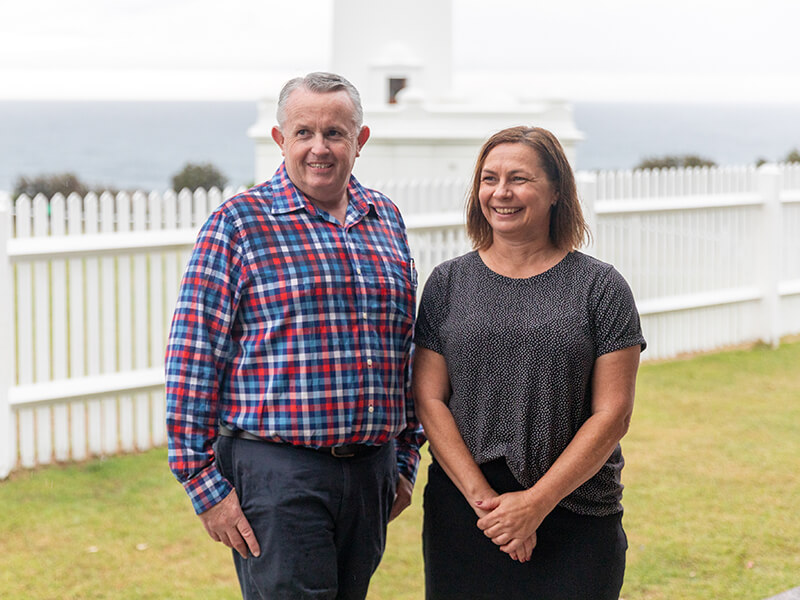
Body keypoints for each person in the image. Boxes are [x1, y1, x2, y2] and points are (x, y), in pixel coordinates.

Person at [165, 72, 423, 600]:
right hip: (278, 475)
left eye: (335, 133)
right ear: (281, 140)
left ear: (360, 140)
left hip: (371, 473)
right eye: (304, 132)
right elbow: (193, 357)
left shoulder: (385, 218)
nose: (319, 148)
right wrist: (202, 485)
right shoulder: (238, 224)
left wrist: (403, 458)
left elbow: (404, 347)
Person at [413, 126, 646, 600]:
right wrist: (489, 507)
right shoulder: (447, 282)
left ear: (557, 190)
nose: (501, 192)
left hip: (575, 508)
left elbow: (613, 413)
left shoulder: (601, 287)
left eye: (519, 179)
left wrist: (534, 505)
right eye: (489, 178)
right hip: (467, 509)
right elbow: (429, 397)